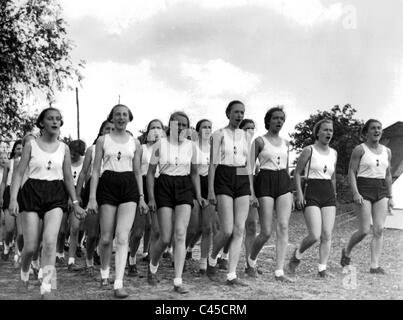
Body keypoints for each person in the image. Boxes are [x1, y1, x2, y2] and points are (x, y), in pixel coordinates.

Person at [8, 107, 86, 299]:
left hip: (55, 195)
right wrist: (12, 199)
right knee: (31, 246)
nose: (54, 122)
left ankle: (47, 287)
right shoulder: (31, 145)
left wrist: (75, 202)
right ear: (42, 123)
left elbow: (68, 177)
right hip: (31, 194)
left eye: (58, 119)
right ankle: (25, 272)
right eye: (50, 118)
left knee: (50, 242)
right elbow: (18, 174)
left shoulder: (64, 148)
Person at [87, 104, 148, 299]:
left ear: (129, 118)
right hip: (108, 184)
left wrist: (141, 197)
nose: (121, 117)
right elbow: (96, 170)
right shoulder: (102, 141)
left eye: (124, 114)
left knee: (122, 237)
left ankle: (118, 282)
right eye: (117, 114)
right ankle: (104, 272)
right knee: (106, 238)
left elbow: (138, 171)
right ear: (111, 118)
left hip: (129, 185)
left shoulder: (135, 143)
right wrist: (92, 198)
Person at [147, 111, 205, 294]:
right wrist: (151, 198)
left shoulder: (192, 146)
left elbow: (194, 173)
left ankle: (178, 281)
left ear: (188, 128)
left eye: (183, 124)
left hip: (184, 186)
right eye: (176, 123)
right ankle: (153, 265)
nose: (180, 127)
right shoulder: (160, 144)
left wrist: (199, 195)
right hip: (163, 185)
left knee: (180, 234)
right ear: (169, 124)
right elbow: (150, 173)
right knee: (165, 237)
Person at [207, 100, 258, 286]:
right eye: (236, 112)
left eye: (242, 112)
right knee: (227, 229)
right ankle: (212, 259)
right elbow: (212, 163)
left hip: (241, 177)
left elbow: (248, 165)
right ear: (228, 113)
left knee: (239, 229)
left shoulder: (246, 135)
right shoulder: (219, 134)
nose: (239, 115)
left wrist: (251, 191)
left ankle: (231, 275)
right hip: (224, 175)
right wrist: (211, 189)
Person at [247, 107, 294, 282]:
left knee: (283, 226)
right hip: (264, 180)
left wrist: (291, 191)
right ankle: (251, 260)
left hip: (283, 181)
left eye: (282, 118)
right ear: (268, 120)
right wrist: (251, 193)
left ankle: (279, 271)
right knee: (266, 231)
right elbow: (249, 169)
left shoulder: (286, 143)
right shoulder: (259, 141)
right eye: (275, 118)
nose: (279, 121)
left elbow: (288, 167)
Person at [340, 119, 394, 274]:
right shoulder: (360, 149)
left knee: (379, 229)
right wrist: (355, 192)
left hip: (381, 190)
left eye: (379, 128)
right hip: (363, 190)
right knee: (364, 230)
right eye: (373, 128)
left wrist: (390, 196)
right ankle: (347, 250)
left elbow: (388, 174)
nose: (377, 131)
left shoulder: (387, 151)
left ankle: (374, 265)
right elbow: (351, 172)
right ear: (367, 132)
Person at [289, 119, 338, 278]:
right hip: (312, 192)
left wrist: (334, 194)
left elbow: (333, 177)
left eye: (330, 130)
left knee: (327, 234)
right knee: (314, 235)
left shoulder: (334, 153)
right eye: (325, 130)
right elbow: (296, 173)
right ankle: (298, 253)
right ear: (317, 132)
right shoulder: (309, 150)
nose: (328, 133)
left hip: (328, 193)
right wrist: (299, 193)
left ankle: (322, 269)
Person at [76, 120, 114, 276]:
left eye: (112, 129)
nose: (110, 131)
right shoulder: (92, 149)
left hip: (112, 188)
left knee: (107, 231)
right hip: (94, 188)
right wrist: (78, 194)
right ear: (101, 131)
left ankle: (102, 258)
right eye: (107, 129)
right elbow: (84, 172)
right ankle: (89, 258)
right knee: (92, 232)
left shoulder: (122, 148)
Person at [127, 119, 164, 276]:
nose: (156, 130)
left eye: (159, 128)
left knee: (156, 230)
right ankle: (132, 257)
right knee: (138, 231)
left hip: (160, 186)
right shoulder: (141, 148)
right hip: (141, 185)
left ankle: (151, 261)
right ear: (147, 131)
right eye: (153, 127)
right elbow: (134, 170)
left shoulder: (165, 149)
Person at [186, 119, 215, 274]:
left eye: (210, 127)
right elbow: (194, 172)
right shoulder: (193, 147)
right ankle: (182, 251)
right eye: (204, 127)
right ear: (198, 130)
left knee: (207, 228)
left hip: (209, 186)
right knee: (193, 227)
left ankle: (203, 263)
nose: (207, 129)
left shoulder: (214, 148)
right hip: (193, 185)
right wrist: (197, 195)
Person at [0, 140, 23, 265]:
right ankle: (7, 245)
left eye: (22, 148)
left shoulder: (28, 163)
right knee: (9, 229)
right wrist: (1, 197)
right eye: (18, 148)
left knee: (20, 232)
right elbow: (3, 182)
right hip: (9, 193)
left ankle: (18, 254)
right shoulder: (9, 163)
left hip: (22, 194)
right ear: (14, 150)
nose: (20, 150)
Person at [66, 139, 86, 271]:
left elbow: (85, 177)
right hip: (62, 192)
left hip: (79, 194)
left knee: (75, 228)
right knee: (62, 230)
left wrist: (76, 198)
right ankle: (59, 253)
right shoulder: (64, 160)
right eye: (71, 152)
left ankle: (71, 260)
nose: (73, 156)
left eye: (76, 154)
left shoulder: (85, 162)